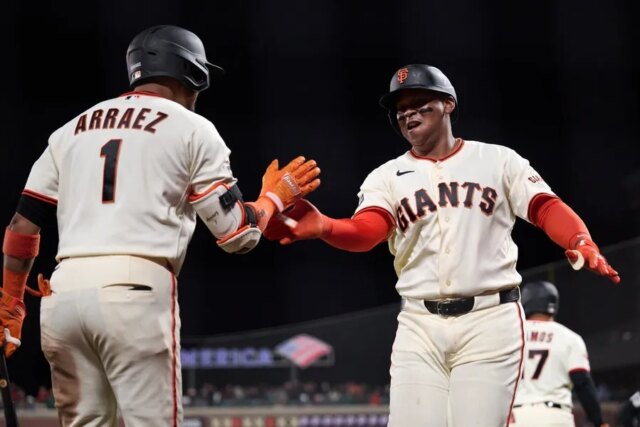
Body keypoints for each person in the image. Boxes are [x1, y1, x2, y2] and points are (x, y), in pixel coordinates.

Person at [264, 64, 620, 426]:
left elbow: (545, 207)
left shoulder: (496, 160)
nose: (407, 113)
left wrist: (580, 240)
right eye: (400, 109)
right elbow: (367, 230)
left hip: (489, 320)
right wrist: (325, 226)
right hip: (420, 324)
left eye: (418, 102)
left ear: (448, 104)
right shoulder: (386, 176)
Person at [0, 25, 320, 426]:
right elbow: (236, 234)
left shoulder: (71, 129)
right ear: (193, 73)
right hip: (135, 288)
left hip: (63, 294)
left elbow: (22, 224)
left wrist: (11, 303)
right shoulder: (191, 127)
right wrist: (273, 198)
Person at [510, 281, 609, 427]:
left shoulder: (509, 337)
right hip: (555, 416)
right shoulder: (569, 337)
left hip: (516, 416)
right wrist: (598, 421)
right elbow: (583, 384)